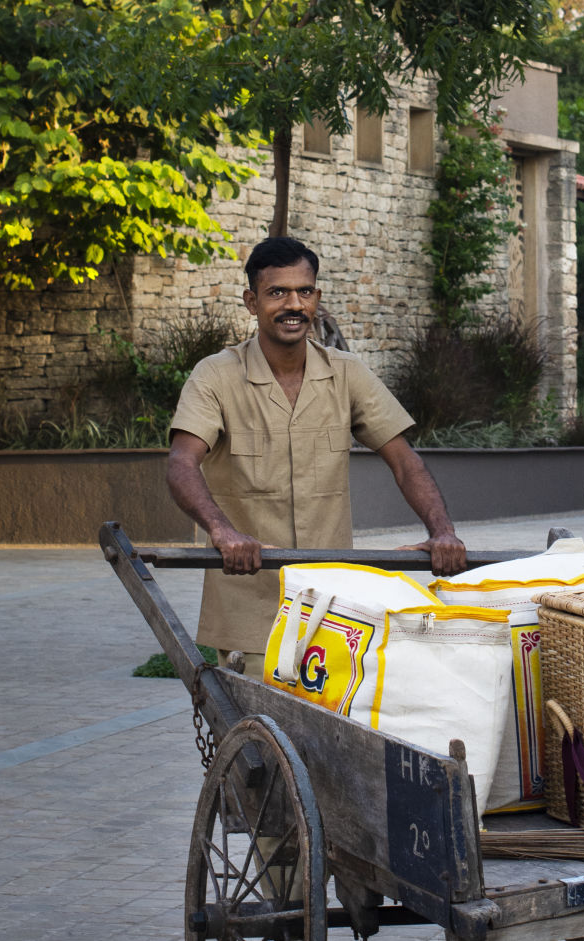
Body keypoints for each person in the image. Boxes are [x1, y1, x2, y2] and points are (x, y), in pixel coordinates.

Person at [166, 236, 467, 676]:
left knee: (333, 739)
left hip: (334, 610)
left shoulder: (347, 373)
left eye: (304, 292)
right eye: (277, 293)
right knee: (257, 738)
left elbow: (404, 460)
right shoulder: (216, 376)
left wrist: (442, 532)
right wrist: (223, 532)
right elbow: (181, 463)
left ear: (317, 298)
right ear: (252, 302)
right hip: (249, 611)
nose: (293, 304)